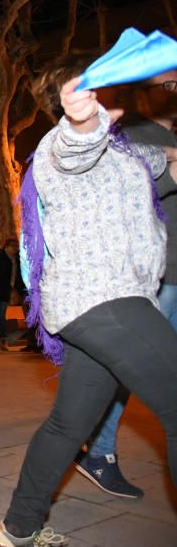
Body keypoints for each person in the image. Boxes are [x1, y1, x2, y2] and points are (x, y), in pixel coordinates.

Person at [0, 60, 177, 547]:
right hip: (105, 298)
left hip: (96, 303)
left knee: (69, 425)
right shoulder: (59, 146)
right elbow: (78, 144)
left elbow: (167, 163)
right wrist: (81, 118)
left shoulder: (128, 151)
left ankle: (16, 530)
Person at [75, 69, 177, 500]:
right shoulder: (135, 135)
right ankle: (97, 451)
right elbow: (126, 190)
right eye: (168, 86)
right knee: (129, 369)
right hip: (157, 276)